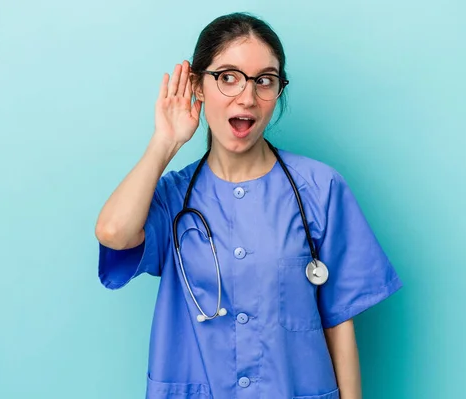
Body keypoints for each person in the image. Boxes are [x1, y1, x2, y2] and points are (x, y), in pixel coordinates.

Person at [95, 12, 402, 399]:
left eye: (265, 81)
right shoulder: (174, 196)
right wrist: (166, 143)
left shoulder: (320, 188)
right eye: (227, 77)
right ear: (198, 86)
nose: (247, 96)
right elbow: (113, 233)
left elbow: (339, 322)